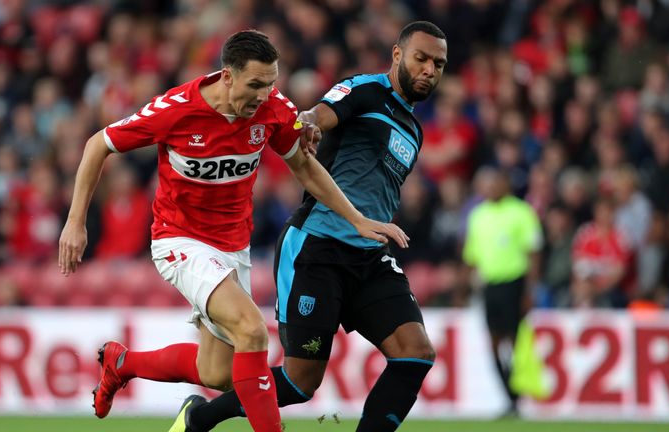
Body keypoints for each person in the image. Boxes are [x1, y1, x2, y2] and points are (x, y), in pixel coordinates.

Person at [57, 30, 407, 432]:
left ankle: (123, 364)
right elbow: (97, 144)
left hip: (233, 245)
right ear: (227, 76)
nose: (264, 95)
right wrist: (75, 221)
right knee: (252, 331)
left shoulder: (273, 109)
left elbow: (306, 168)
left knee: (218, 374)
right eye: (255, 85)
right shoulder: (176, 109)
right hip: (179, 239)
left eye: (271, 83)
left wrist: (357, 218)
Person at [169, 21, 447, 432]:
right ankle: (201, 416)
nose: (429, 69)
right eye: (421, 58)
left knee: (416, 353)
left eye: (438, 64)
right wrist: (311, 123)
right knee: (301, 382)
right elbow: (320, 113)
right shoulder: (365, 89)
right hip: (318, 248)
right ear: (396, 55)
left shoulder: (414, 129)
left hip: (369, 256)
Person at [462, 167, 542, 416]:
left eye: (495, 183)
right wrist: (464, 287)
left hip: (514, 283)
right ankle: (512, 397)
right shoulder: (477, 215)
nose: (491, 188)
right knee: (495, 341)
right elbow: (471, 256)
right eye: (487, 184)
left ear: (505, 185)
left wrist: (530, 289)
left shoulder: (521, 211)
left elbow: (533, 252)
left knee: (513, 340)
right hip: (490, 285)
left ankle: (517, 394)